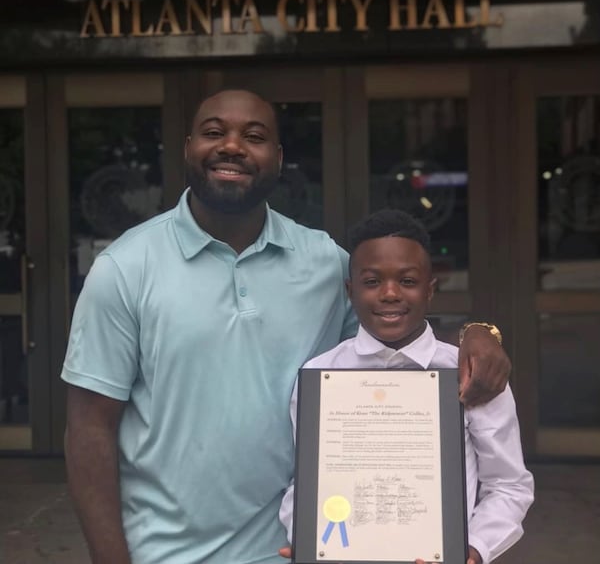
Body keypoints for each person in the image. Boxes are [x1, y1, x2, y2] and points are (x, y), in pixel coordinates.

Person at [62, 89, 513, 564]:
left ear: (277, 159)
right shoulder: (125, 268)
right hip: (165, 553)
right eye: (214, 132)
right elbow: (89, 429)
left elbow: (394, 346)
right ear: (187, 146)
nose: (232, 146)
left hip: (298, 550)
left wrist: (478, 333)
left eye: (253, 137)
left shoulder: (324, 262)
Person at [278, 209, 534, 564]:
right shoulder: (319, 375)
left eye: (408, 281)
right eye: (371, 282)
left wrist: (472, 549)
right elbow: (303, 482)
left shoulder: (472, 373)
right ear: (350, 292)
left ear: (430, 291)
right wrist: (306, 536)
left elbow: (508, 485)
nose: (390, 294)